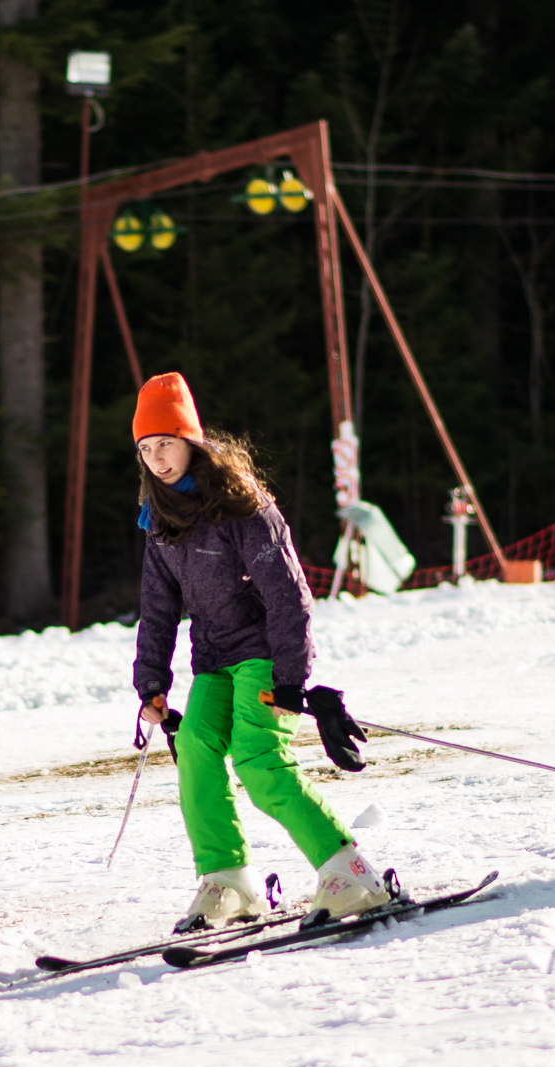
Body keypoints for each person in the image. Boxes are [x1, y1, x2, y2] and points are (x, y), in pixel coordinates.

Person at [128, 372, 391, 931]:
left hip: (263, 653)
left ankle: (351, 873)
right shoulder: (160, 520)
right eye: (146, 449)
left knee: (257, 756)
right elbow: (156, 607)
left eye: (166, 443)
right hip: (213, 659)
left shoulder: (240, 503)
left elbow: (287, 592)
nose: (157, 459)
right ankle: (229, 881)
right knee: (196, 749)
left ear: (191, 440)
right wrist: (151, 682)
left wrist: (292, 676)